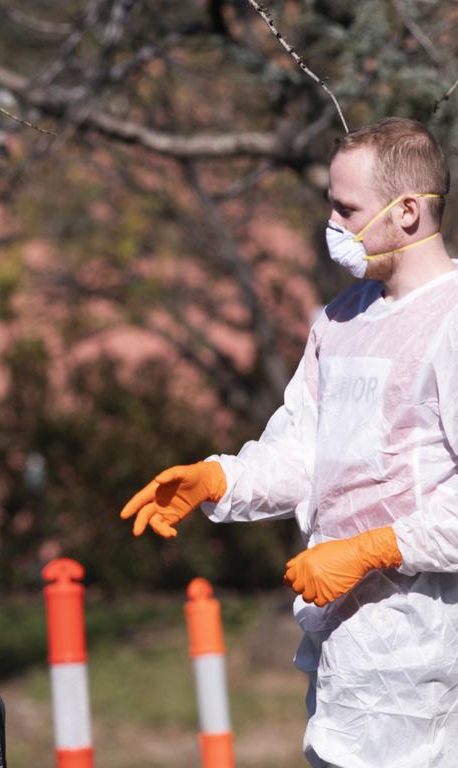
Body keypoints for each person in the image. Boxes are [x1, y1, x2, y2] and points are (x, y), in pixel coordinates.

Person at [119, 117, 457, 767]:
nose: (332, 223)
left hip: (426, 657)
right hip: (340, 657)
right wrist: (218, 479)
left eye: (346, 208)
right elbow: (302, 451)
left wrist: (375, 547)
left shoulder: (451, 321)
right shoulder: (340, 320)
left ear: (409, 210)